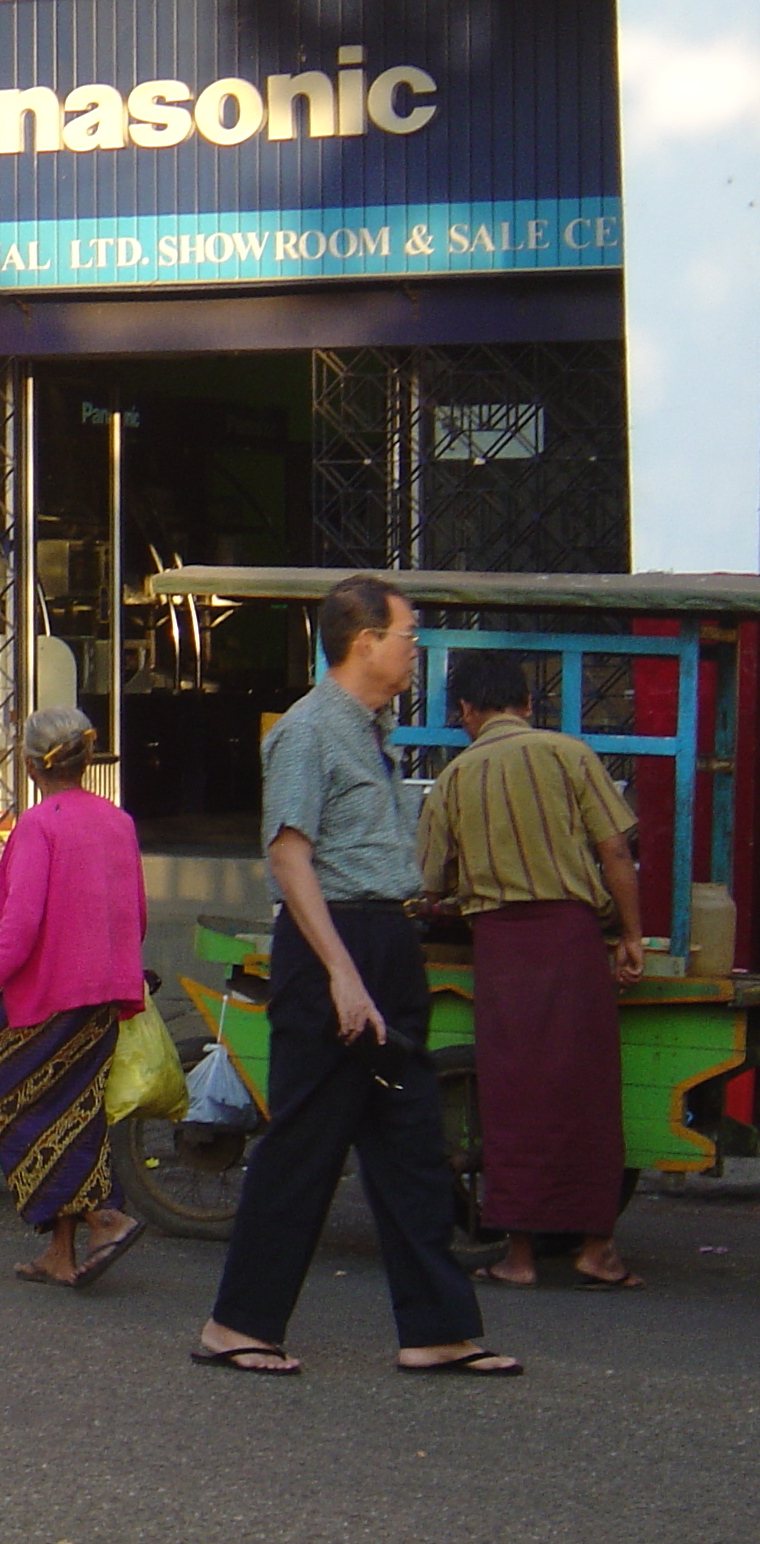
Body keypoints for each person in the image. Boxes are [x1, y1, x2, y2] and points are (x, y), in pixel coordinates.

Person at [198, 574, 520, 1378]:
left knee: (408, 1140)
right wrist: (343, 974)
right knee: (305, 1140)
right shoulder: (310, 730)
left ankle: (439, 1329)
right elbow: (287, 853)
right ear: (365, 639)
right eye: (409, 634)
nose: (417, 649)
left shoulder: (367, 730)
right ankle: (237, 1325)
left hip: (383, 938)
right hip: (332, 945)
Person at [416, 649, 645, 1290]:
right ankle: (595, 1249)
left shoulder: (455, 779)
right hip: (574, 942)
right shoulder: (568, 754)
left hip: (501, 949)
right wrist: (631, 936)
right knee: (587, 1094)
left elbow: (431, 883)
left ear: (466, 710)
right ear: (526, 703)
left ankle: (518, 1258)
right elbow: (615, 851)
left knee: (513, 1098)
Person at [0, 706, 147, 1289]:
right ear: (87, 759)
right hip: (105, 991)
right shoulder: (117, 820)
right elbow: (135, 915)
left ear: (31, 764)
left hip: (49, 995)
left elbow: (20, 927)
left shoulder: (40, 826)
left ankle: (104, 1216)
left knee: (18, 1115)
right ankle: (60, 1254)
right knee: (73, 1115)